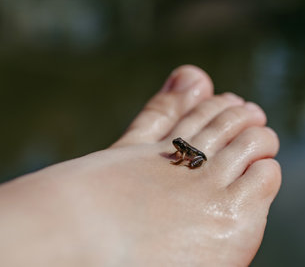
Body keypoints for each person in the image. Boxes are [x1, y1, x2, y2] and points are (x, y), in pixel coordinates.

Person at [0, 65, 281, 266]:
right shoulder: (181, 149)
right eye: (178, 145)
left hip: (199, 157)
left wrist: (182, 162)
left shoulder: (184, 151)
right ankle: (79, 230)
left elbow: (190, 156)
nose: (176, 147)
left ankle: (66, 212)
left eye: (178, 145)